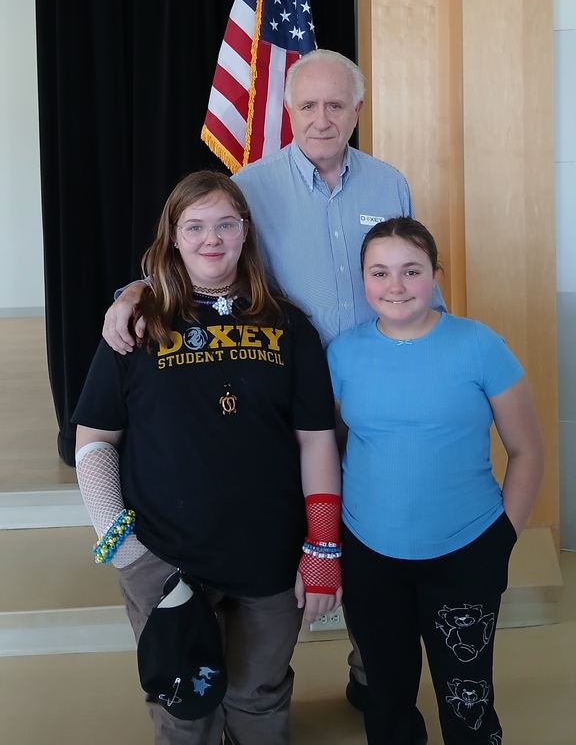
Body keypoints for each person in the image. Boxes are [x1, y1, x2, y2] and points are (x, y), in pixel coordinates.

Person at [102, 48, 445, 725]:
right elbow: (200, 245)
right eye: (307, 105)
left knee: (381, 537)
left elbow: (412, 271)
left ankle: (371, 671)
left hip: (377, 394)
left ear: (357, 110)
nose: (322, 118)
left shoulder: (389, 183)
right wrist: (134, 291)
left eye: (336, 105)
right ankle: (242, 683)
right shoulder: (250, 184)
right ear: (287, 111)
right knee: (296, 520)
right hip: (287, 397)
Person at [72, 170, 342, 745]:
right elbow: (94, 440)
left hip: (269, 556)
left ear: (246, 232)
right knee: (184, 708)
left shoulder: (290, 326)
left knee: (260, 698)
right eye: (194, 226)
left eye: (225, 223)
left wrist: (321, 545)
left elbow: (316, 439)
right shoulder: (138, 326)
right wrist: (124, 548)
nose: (211, 239)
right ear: (172, 236)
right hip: (165, 558)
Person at [327, 216, 544, 745]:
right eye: (379, 273)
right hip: (370, 556)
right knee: (387, 695)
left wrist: (501, 539)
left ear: (434, 274)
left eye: (411, 270)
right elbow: (330, 449)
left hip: (466, 551)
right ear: (362, 279)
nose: (395, 286)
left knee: (467, 697)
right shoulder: (342, 354)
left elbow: (527, 449)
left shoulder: (479, 345)